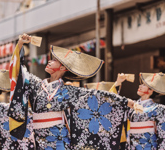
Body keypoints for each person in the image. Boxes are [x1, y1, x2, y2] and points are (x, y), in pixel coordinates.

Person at [8, 34, 139, 149]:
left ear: (63, 67)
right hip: (39, 138)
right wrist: (20, 45)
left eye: (53, 60)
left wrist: (126, 101)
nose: (49, 61)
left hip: (59, 138)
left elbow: (97, 95)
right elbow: (19, 71)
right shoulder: (36, 84)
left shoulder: (69, 91)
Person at [118, 72, 165, 149]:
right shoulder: (131, 105)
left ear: (151, 90)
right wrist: (118, 83)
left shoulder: (157, 109)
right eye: (141, 84)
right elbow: (114, 104)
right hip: (131, 146)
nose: (139, 86)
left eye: (144, 85)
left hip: (148, 146)